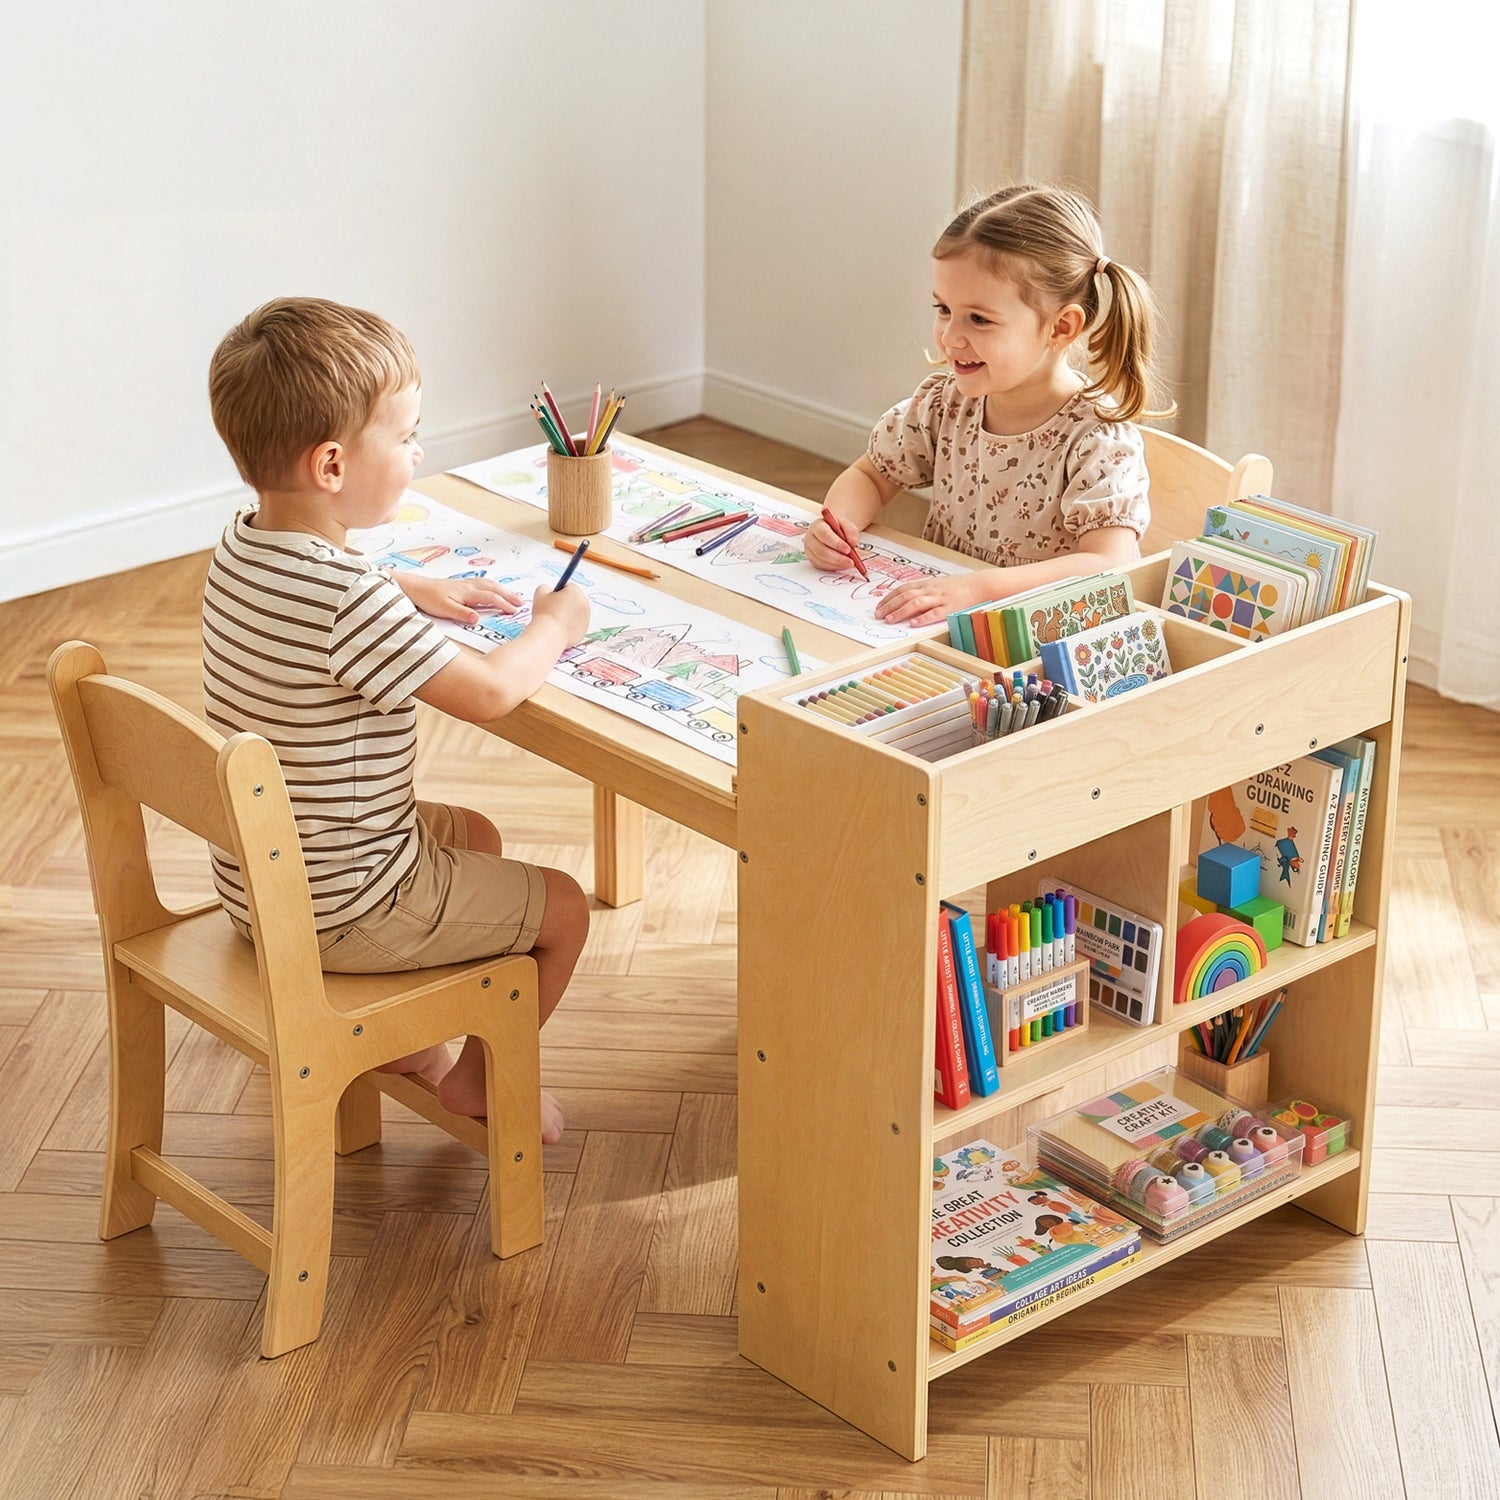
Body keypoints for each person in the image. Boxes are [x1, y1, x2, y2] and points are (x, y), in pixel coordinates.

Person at [204, 297, 590, 1142]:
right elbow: (489, 692)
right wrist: (553, 628)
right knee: (562, 909)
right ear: (334, 465)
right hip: (345, 903)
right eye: (409, 436)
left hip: (262, 880)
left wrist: (409, 587)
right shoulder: (351, 604)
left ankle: (404, 1042)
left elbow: (330, 584)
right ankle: (481, 1087)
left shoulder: (240, 543)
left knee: (475, 833)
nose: (419, 453)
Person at [805, 183, 1171, 626]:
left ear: (1061, 328)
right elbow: (872, 474)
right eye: (944, 309)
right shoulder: (944, 404)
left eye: (979, 319)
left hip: (1036, 645)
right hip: (948, 623)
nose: (950, 336)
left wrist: (978, 590)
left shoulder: (1097, 440)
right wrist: (839, 521)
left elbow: (1106, 566)